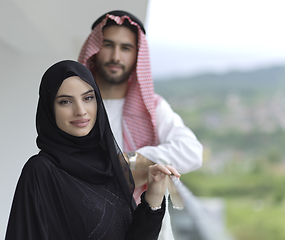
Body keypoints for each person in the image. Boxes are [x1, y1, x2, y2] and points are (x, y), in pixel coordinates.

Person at [5, 60, 181, 240]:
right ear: (50, 109)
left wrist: (153, 197)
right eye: (65, 101)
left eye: (88, 98)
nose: (80, 111)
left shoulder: (108, 164)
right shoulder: (41, 171)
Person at [78, 9, 203, 202]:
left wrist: (131, 159)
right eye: (108, 45)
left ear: (137, 55)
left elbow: (191, 152)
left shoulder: (152, 106)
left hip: (141, 223)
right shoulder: (74, 106)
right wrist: (136, 172)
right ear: (94, 50)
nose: (116, 56)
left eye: (126, 48)